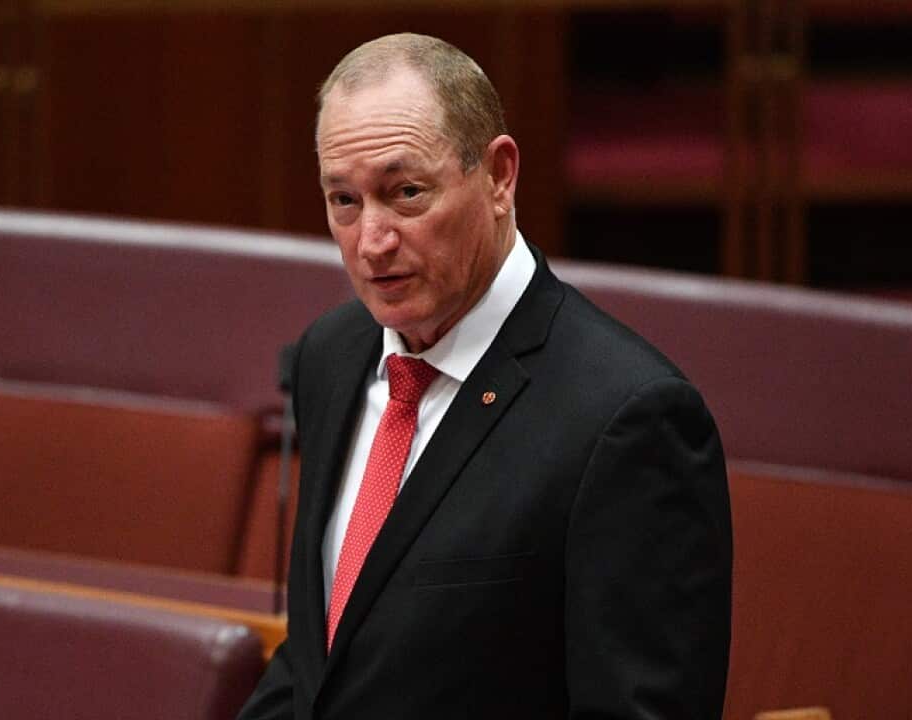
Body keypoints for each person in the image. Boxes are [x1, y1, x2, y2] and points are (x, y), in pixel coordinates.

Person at [237, 33, 731, 720]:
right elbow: (318, 667)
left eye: (406, 192)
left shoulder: (628, 419)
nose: (372, 240)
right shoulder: (333, 353)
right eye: (344, 201)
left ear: (498, 176)